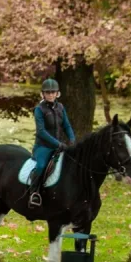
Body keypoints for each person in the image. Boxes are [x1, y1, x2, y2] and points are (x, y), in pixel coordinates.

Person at [26, 78, 76, 207]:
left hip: (58, 146)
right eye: (48, 92)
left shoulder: (60, 107)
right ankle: (34, 193)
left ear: (57, 93)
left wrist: (72, 140)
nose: (51, 95)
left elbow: (67, 126)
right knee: (42, 166)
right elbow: (41, 132)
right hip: (43, 147)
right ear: (43, 94)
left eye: (53, 92)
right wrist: (58, 144)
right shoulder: (39, 109)